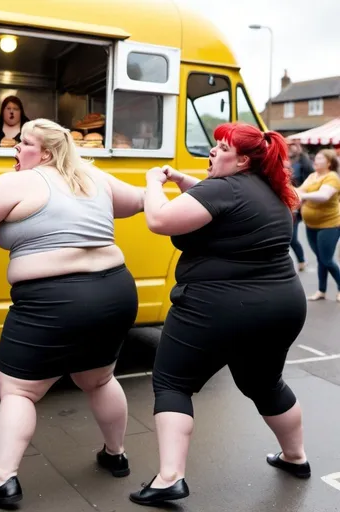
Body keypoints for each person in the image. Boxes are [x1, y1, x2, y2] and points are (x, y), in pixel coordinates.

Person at [0, 118, 144, 507]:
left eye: (24, 144)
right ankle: (116, 455)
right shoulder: (92, 177)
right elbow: (138, 201)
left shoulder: (20, 181)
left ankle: (4, 480)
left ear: (47, 153)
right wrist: (161, 180)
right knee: (100, 379)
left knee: (19, 390)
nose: (15, 149)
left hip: (53, 300)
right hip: (114, 291)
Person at [129, 123, 310, 507]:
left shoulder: (224, 188)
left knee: (173, 382)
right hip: (281, 306)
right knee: (265, 383)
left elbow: (160, 220)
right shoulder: (273, 191)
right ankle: (296, 457)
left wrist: (152, 182)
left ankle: (169, 478)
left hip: (217, 306)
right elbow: (219, 203)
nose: (212, 152)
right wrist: (182, 180)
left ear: (242, 160)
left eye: (221, 147)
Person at [296, 149, 340, 302]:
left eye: (320, 158)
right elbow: (299, 190)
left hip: (329, 224)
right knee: (321, 259)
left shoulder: (332, 177)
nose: (315, 160)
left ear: (329, 162)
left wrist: (303, 196)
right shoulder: (312, 176)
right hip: (311, 224)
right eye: (316, 157)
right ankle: (321, 291)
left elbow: (324, 196)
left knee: (326, 259)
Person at [287, 140, 314, 271]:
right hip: (283, 204)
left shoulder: (303, 163)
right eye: (289, 146)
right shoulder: (285, 162)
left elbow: (309, 178)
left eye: (294, 146)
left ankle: (301, 260)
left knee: (292, 237)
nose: (291, 148)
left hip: (296, 205)